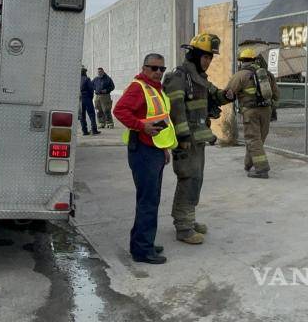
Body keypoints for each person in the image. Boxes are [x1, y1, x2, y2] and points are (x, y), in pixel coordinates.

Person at [163, 34, 234, 245]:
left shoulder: (199, 78)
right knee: (188, 178)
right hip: (186, 140)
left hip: (199, 138)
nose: (209, 61)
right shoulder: (179, 76)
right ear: (194, 55)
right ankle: (183, 228)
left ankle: (188, 219)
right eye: (206, 57)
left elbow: (215, 95)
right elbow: (176, 110)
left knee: (196, 179)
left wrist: (228, 95)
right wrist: (182, 136)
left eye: (210, 57)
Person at [113, 53, 177, 264]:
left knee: (151, 199)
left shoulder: (155, 89)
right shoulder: (138, 87)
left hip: (154, 150)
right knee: (148, 201)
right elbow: (119, 110)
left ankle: (143, 242)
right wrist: (142, 127)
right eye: (154, 68)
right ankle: (142, 250)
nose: (158, 72)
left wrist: (164, 149)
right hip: (143, 151)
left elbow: (161, 121)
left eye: (162, 69)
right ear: (144, 68)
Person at [226, 48, 280, 178]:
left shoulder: (240, 75)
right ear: (254, 60)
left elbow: (228, 93)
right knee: (258, 139)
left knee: (253, 139)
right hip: (266, 111)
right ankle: (248, 164)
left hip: (250, 112)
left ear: (241, 62)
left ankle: (262, 169)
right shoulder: (267, 74)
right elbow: (276, 94)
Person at [79, 65, 100, 136]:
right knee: (91, 114)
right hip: (87, 98)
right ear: (85, 72)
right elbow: (91, 89)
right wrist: (90, 97)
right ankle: (94, 130)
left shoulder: (77, 79)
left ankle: (84, 131)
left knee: (82, 115)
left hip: (80, 99)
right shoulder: (87, 79)